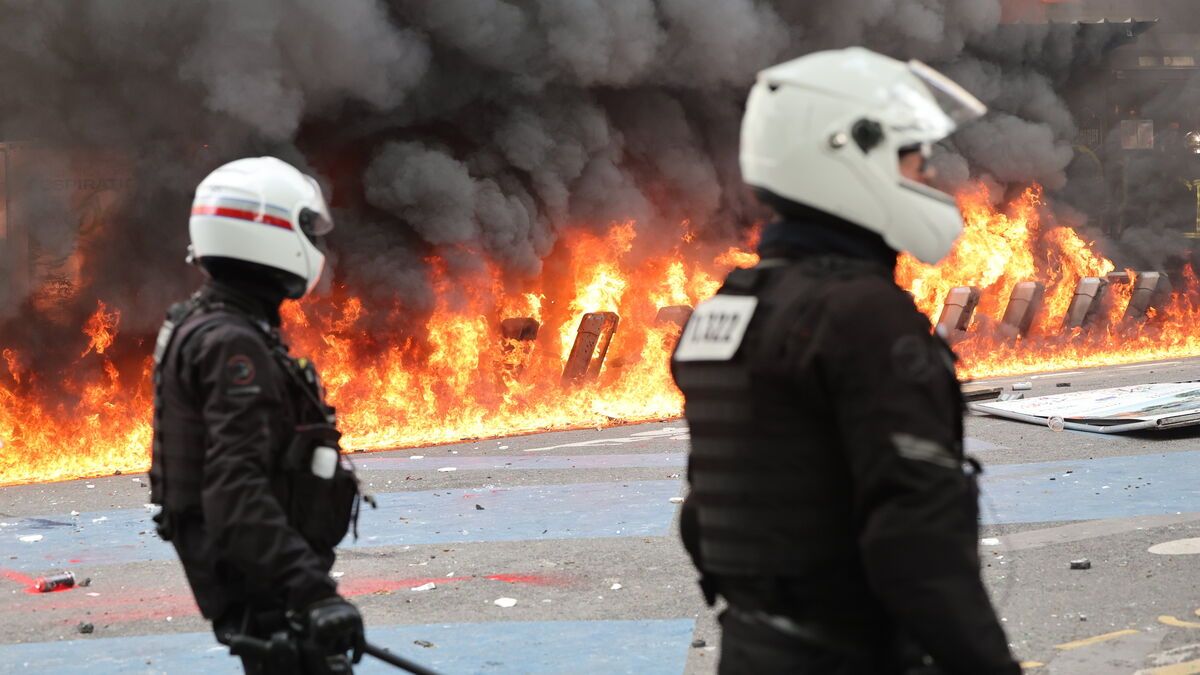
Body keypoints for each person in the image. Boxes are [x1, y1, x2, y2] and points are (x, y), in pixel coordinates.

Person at [672, 48, 1021, 675]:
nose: (926, 177)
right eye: (912, 158)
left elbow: (705, 518)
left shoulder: (729, 311)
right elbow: (916, 550)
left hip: (751, 650)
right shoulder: (864, 317)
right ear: (847, 154)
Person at [150, 157, 365, 674]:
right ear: (268, 232)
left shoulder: (213, 325)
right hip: (267, 589)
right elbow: (235, 487)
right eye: (306, 229)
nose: (315, 245)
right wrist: (312, 594)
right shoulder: (232, 345)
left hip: (262, 582)